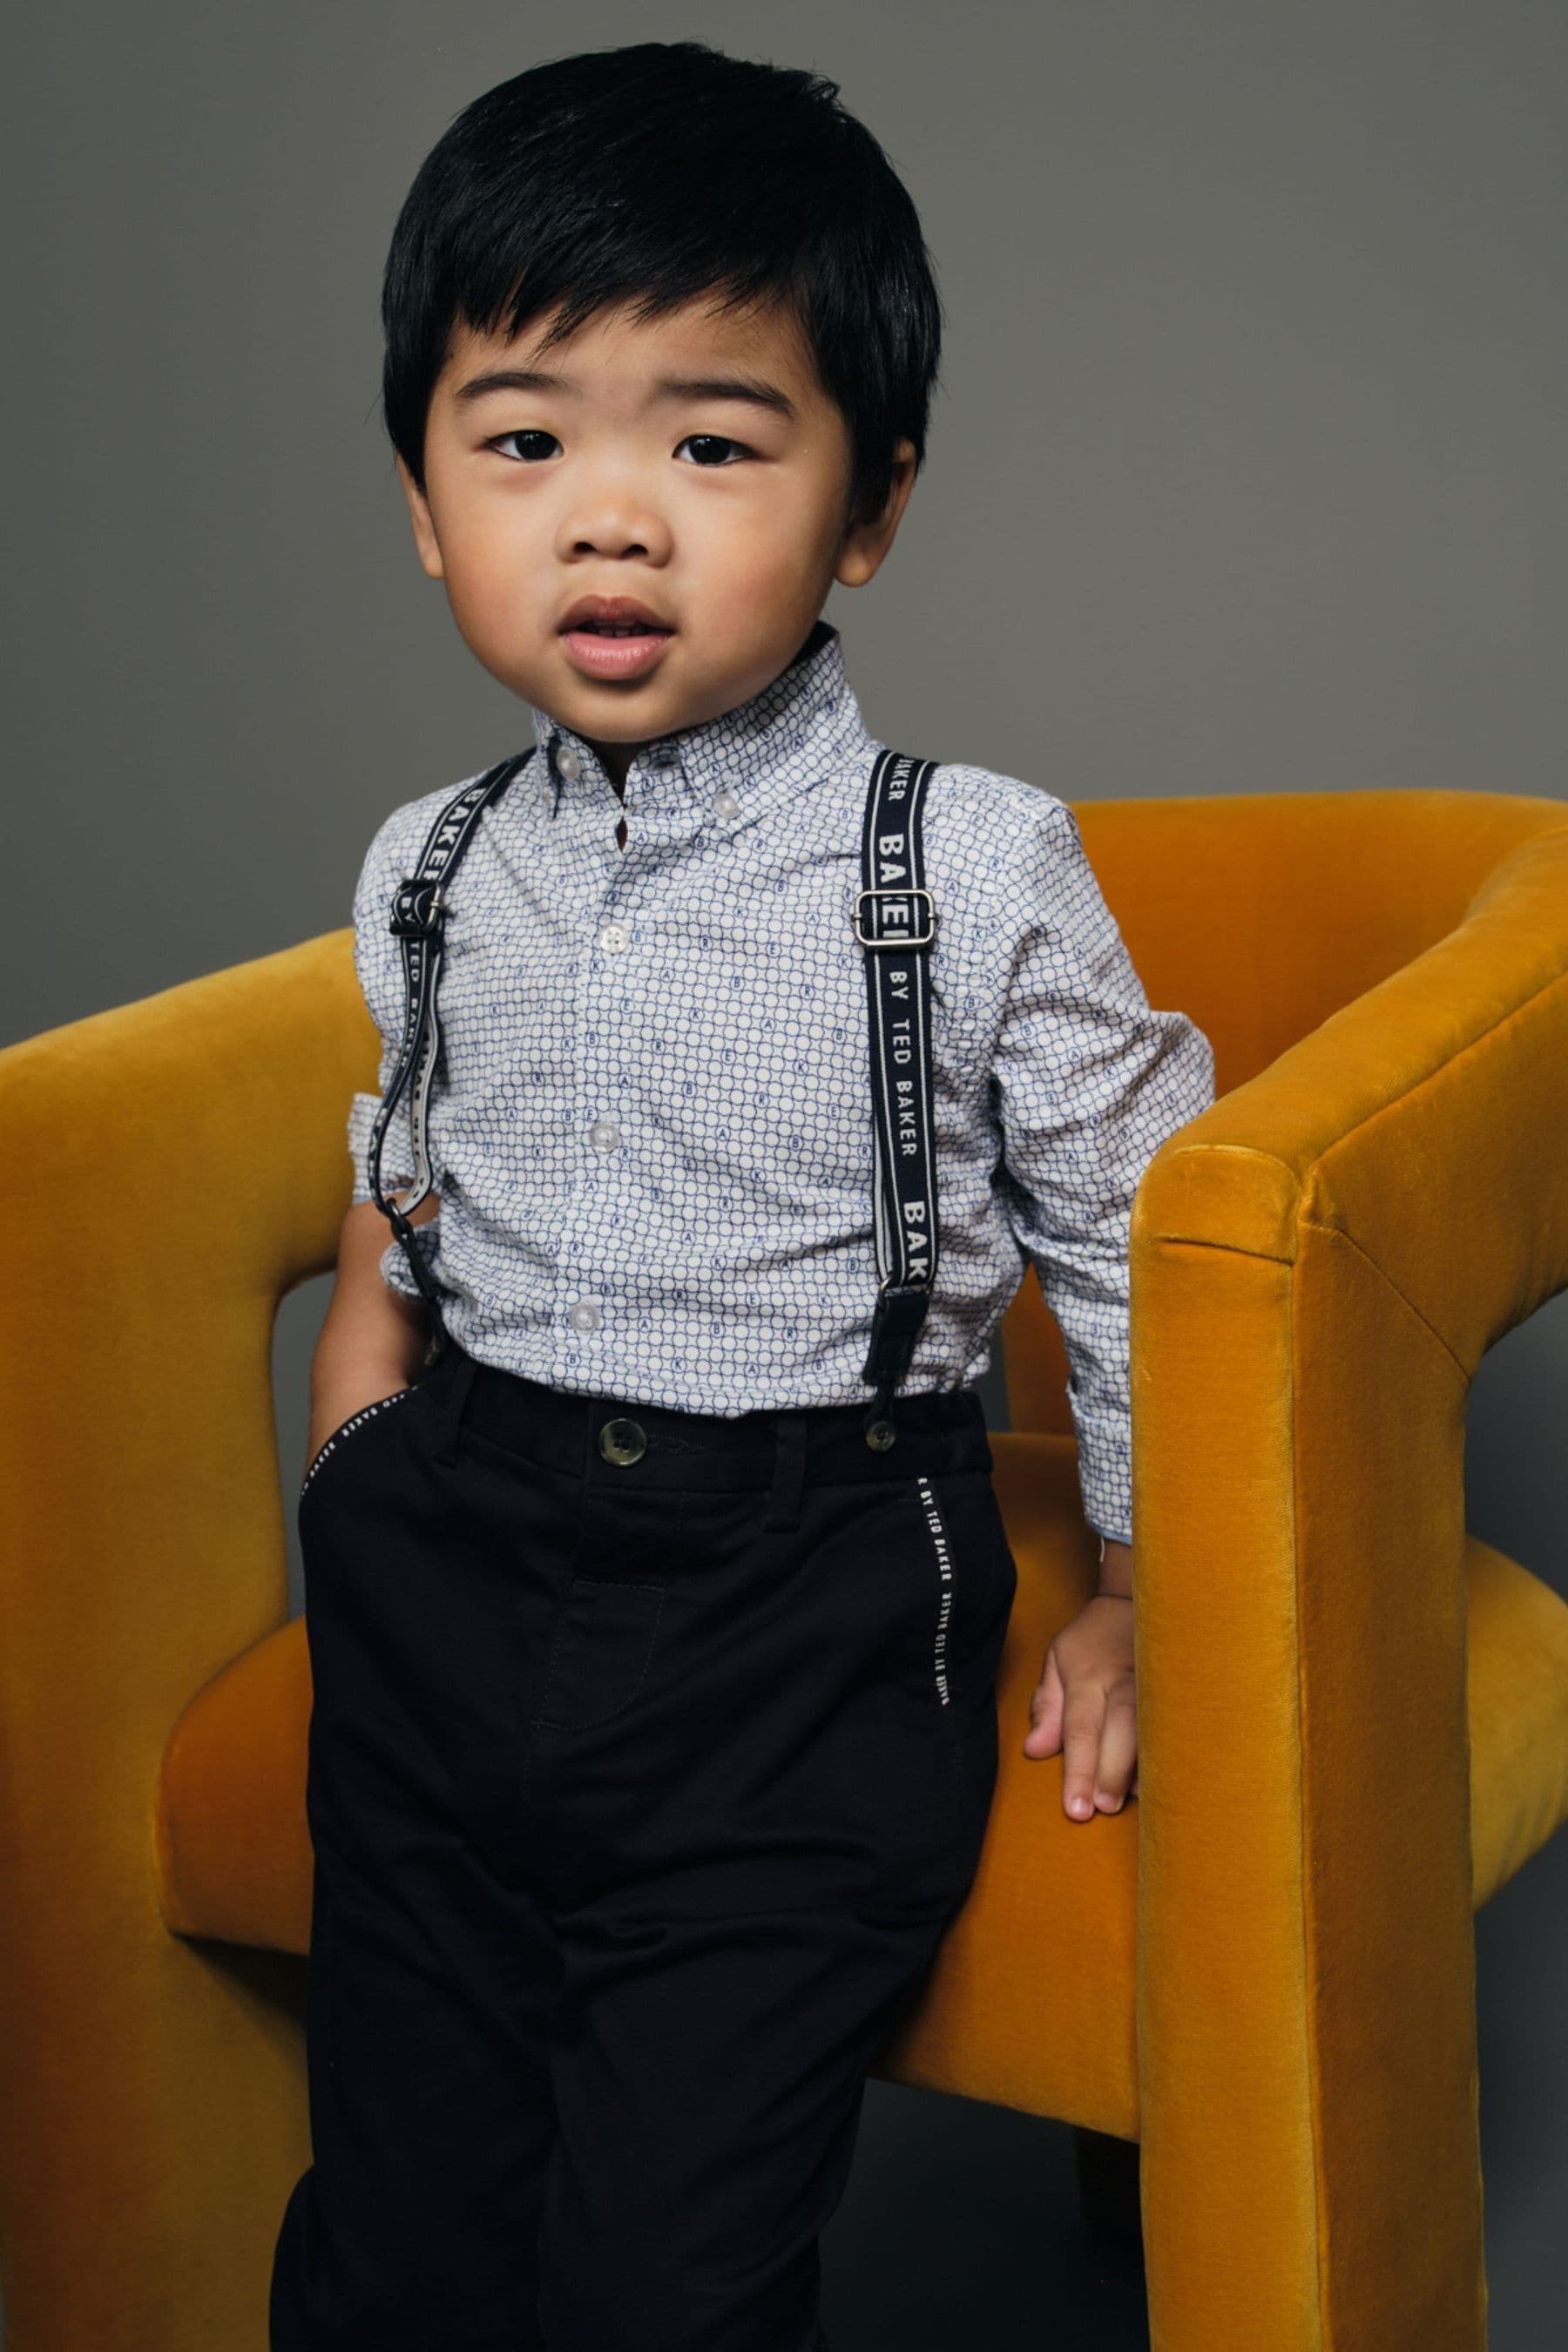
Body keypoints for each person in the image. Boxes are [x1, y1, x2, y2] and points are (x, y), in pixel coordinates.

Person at [269, 38, 1214, 2351]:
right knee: (391, 2244)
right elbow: (403, 1169)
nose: (614, 518)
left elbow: (1145, 1236)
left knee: (661, 2274)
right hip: (451, 1577)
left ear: (869, 502)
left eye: (712, 440)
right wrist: (369, 1442)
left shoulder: (960, 863)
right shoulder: (430, 861)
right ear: (422, 494)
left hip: (797, 1609)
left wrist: (1155, 1588)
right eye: (525, 440)